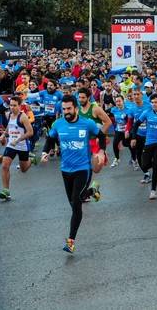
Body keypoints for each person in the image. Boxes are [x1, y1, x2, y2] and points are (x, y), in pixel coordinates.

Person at [40, 94, 105, 253]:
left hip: (83, 169)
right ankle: (92, 191)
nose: (66, 112)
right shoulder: (58, 124)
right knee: (74, 202)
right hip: (65, 170)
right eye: (63, 109)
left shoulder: (87, 123)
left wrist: (101, 151)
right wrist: (44, 152)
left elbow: (101, 135)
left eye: (69, 108)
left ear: (75, 108)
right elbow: (49, 139)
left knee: (76, 203)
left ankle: (71, 241)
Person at [130, 94, 157, 200]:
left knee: (155, 166)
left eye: (156, 102)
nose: (154, 104)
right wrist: (133, 138)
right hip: (149, 141)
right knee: (144, 165)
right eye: (152, 102)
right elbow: (136, 125)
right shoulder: (147, 112)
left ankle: (153, 191)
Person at [0, 96, 37, 201]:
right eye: (11, 105)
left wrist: (18, 140)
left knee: (23, 169)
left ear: (20, 106)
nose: (12, 107)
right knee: (4, 166)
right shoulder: (9, 115)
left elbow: (30, 132)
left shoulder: (23, 117)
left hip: (22, 146)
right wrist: (3, 135)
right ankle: (6, 191)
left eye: (14, 105)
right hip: (11, 145)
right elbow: (9, 128)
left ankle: (31, 160)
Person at [110, 95, 131, 167]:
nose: (118, 103)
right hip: (118, 130)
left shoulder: (128, 109)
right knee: (115, 143)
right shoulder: (113, 109)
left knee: (128, 145)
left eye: (119, 101)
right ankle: (117, 159)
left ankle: (134, 159)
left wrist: (128, 129)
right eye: (116, 101)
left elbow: (130, 121)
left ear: (123, 101)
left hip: (126, 131)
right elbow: (107, 114)